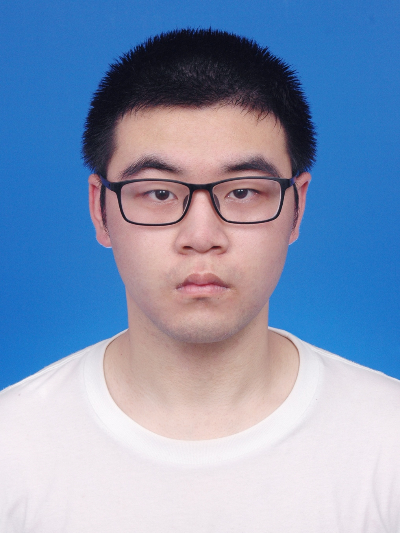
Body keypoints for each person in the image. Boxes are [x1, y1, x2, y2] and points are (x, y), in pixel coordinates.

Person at [1, 28, 399, 532]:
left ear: (297, 207)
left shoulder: (388, 444)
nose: (202, 236)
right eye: (159, 193)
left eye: (243, 192)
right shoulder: (12, 451)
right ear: (100, 210)